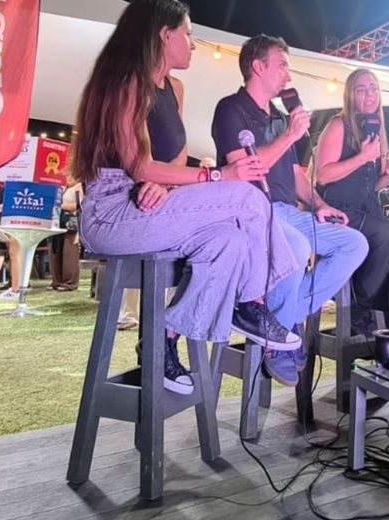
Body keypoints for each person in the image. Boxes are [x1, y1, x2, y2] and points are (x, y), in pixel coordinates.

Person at [73, 0, 301, 395]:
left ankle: (163, 338)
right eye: (189, 34)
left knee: (228, 242)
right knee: (247, 199)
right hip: (112, 210)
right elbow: (138, 165)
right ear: (165, 34)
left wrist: (170, 182)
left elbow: (171, 158)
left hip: (154, 202)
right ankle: (253, 303)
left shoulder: (174, 88)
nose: (193, 44)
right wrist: (216, 174)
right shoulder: (126, 81)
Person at [211, 34, 368, 386]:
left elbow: (297, 176)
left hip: (288, 211)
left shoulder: (283, 119)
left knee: (355, 244)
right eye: (282, 64)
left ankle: (280, 323)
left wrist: (321, 204)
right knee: (296, 247)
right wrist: (290, 136)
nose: (288, 74)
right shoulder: (231, 109)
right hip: (252, 210)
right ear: (258, 66)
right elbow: (247, 170)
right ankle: (278, 341)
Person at [315, 68, 389, 348]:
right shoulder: (339, 125)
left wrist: (388, 174)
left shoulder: (376, 129)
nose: (369, 94)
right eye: (361, 89)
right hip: (336, 209)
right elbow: (323, 175)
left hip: (365, 208)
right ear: (350, 95)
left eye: (373, 88)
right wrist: (363, 157)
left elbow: (371, 187)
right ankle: (359, 304)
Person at [50, 183, 82, 291]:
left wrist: (61, 205)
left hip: (70, 222)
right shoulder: (62, 188)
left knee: (69, 252)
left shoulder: (79, 186)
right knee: (55, 250)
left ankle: (69, 282)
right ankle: (56, 280)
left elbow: (79, 204)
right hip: (57, 221)